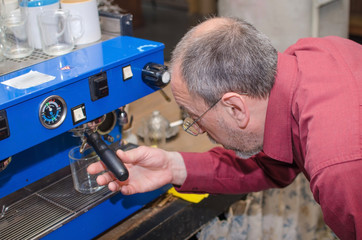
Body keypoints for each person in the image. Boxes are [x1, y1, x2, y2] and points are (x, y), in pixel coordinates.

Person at [88, 17, 362, 239]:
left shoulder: (340, 169)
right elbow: (273, 165)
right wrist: (171, 166)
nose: (200, 129)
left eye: (196, 117)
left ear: (235, 108)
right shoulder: (313, 54)